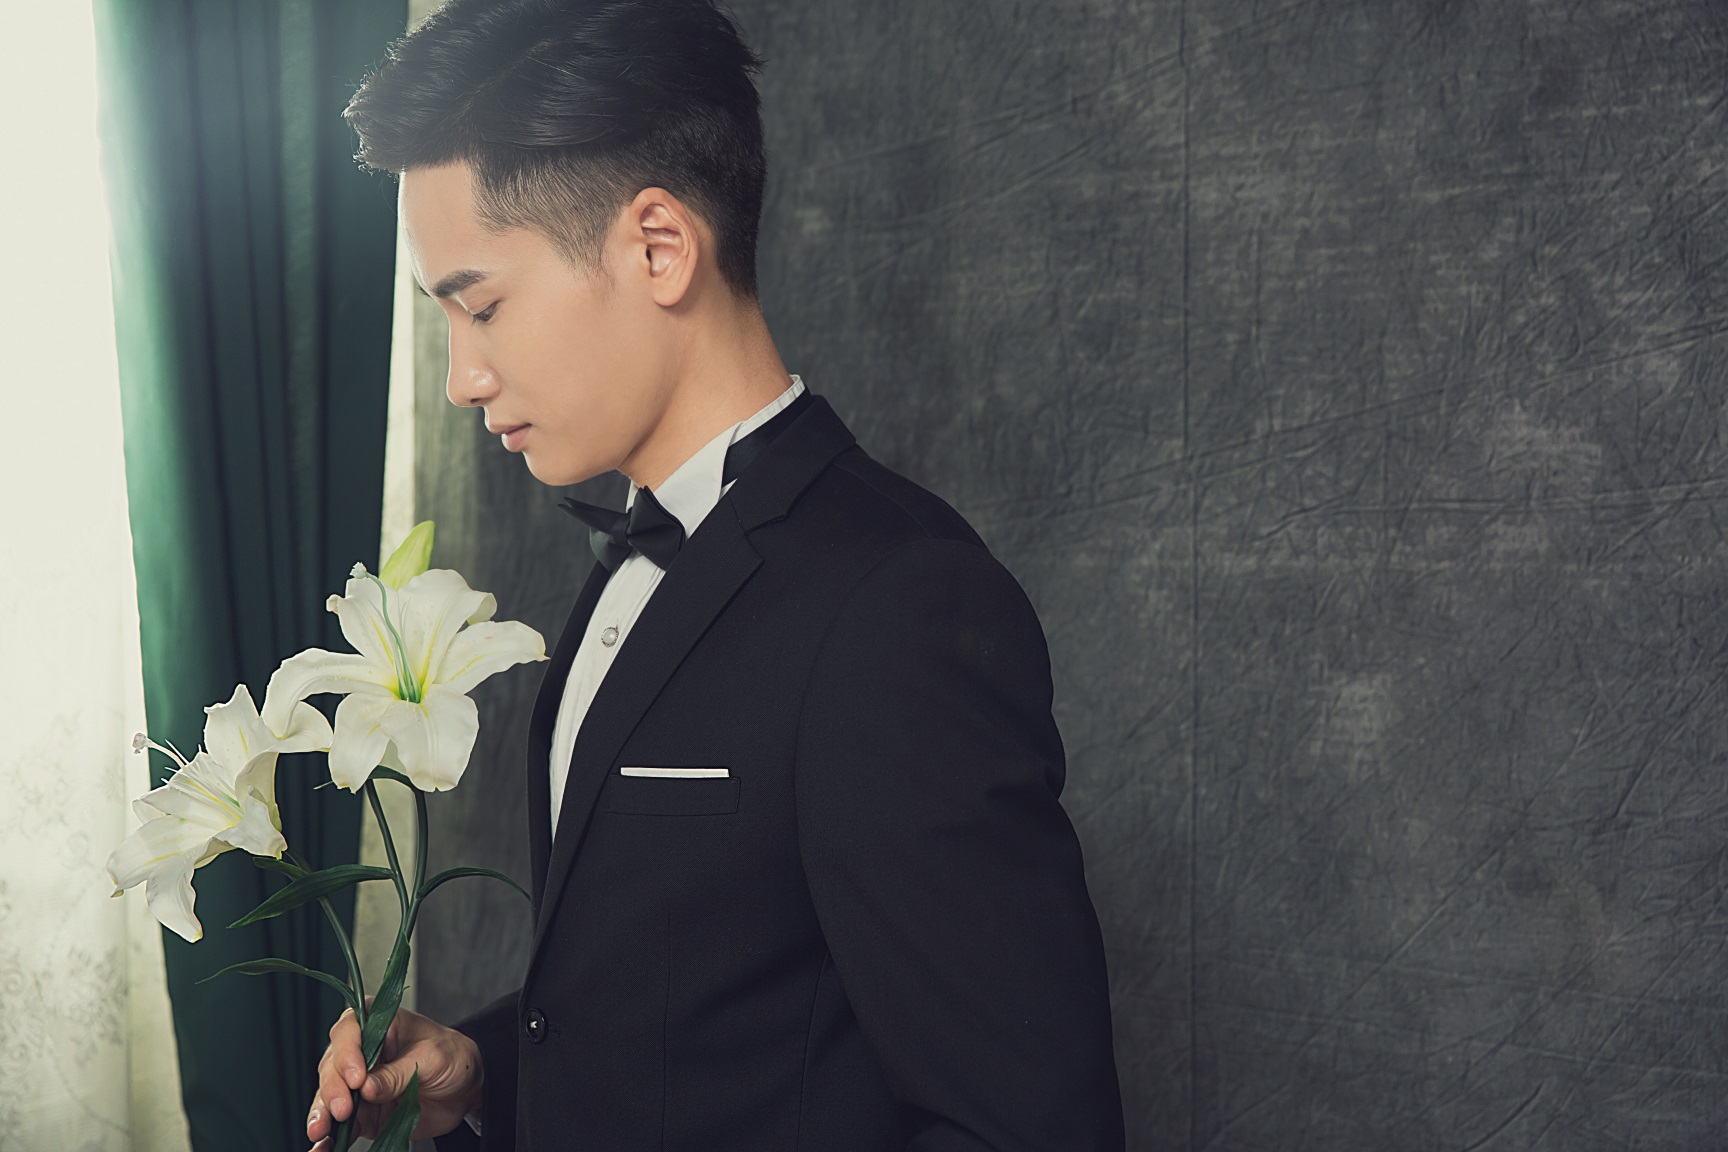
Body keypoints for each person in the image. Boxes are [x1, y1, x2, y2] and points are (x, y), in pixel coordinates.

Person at [305, 1, 1124, 1148]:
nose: (461, 378)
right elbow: (692, 1011)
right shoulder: (631, 561)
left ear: (659, 246)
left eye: (481, 307)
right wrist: (484, 1070)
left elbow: (1027, 1126)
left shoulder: (898, 605)